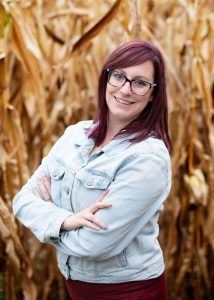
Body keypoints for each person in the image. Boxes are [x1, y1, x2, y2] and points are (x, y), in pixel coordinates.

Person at [13, 40, 172, 300]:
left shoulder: (147, 158)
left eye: (140, 83)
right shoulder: (75, 135)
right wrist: (66, 220)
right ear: (106, 78)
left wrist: (47, 221)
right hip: (78, 287)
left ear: (154, 93)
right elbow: (21, 200)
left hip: (127, 291)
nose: (125, 89)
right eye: (118, 76)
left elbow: (94, 244)